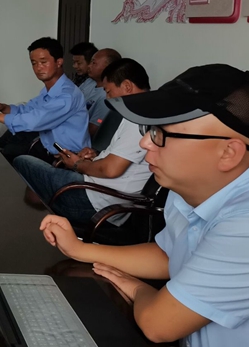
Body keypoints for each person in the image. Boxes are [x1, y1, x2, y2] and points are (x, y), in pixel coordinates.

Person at [39, 64, 249, 347]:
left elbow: (158, 324)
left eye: (160, 134)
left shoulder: (245, 225)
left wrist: (136, 287)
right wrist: (80, 249)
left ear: (228, 152)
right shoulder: (189, 190)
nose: (145, 144)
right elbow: (168, 255)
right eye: (148, 131)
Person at [13, 58, 151, 224]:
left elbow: (111, 170)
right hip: (94, 190)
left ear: (127, 86)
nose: (108, 98)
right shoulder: (140, 113)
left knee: (22, 161)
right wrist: (95, 156)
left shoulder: (139, 119)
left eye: (109, 92)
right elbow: (121, 160)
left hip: (93, 201)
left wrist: (77, 164)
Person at [0, 37, 90, 164]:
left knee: (6, 158)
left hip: (66, 159)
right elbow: (30, 109)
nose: (38, 68)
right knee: (4, 151)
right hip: (47, 148)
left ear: (59, 62)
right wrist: (5, 108)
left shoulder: (67, 94)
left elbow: (36, 120)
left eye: (43, 62)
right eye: (34, 63)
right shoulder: (50, 90)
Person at [81, 48, 122, 136]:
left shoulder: (107, 95)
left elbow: (93, 129)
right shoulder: (88, 82)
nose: (89, 66)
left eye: (94, 63)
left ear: (108, 67)